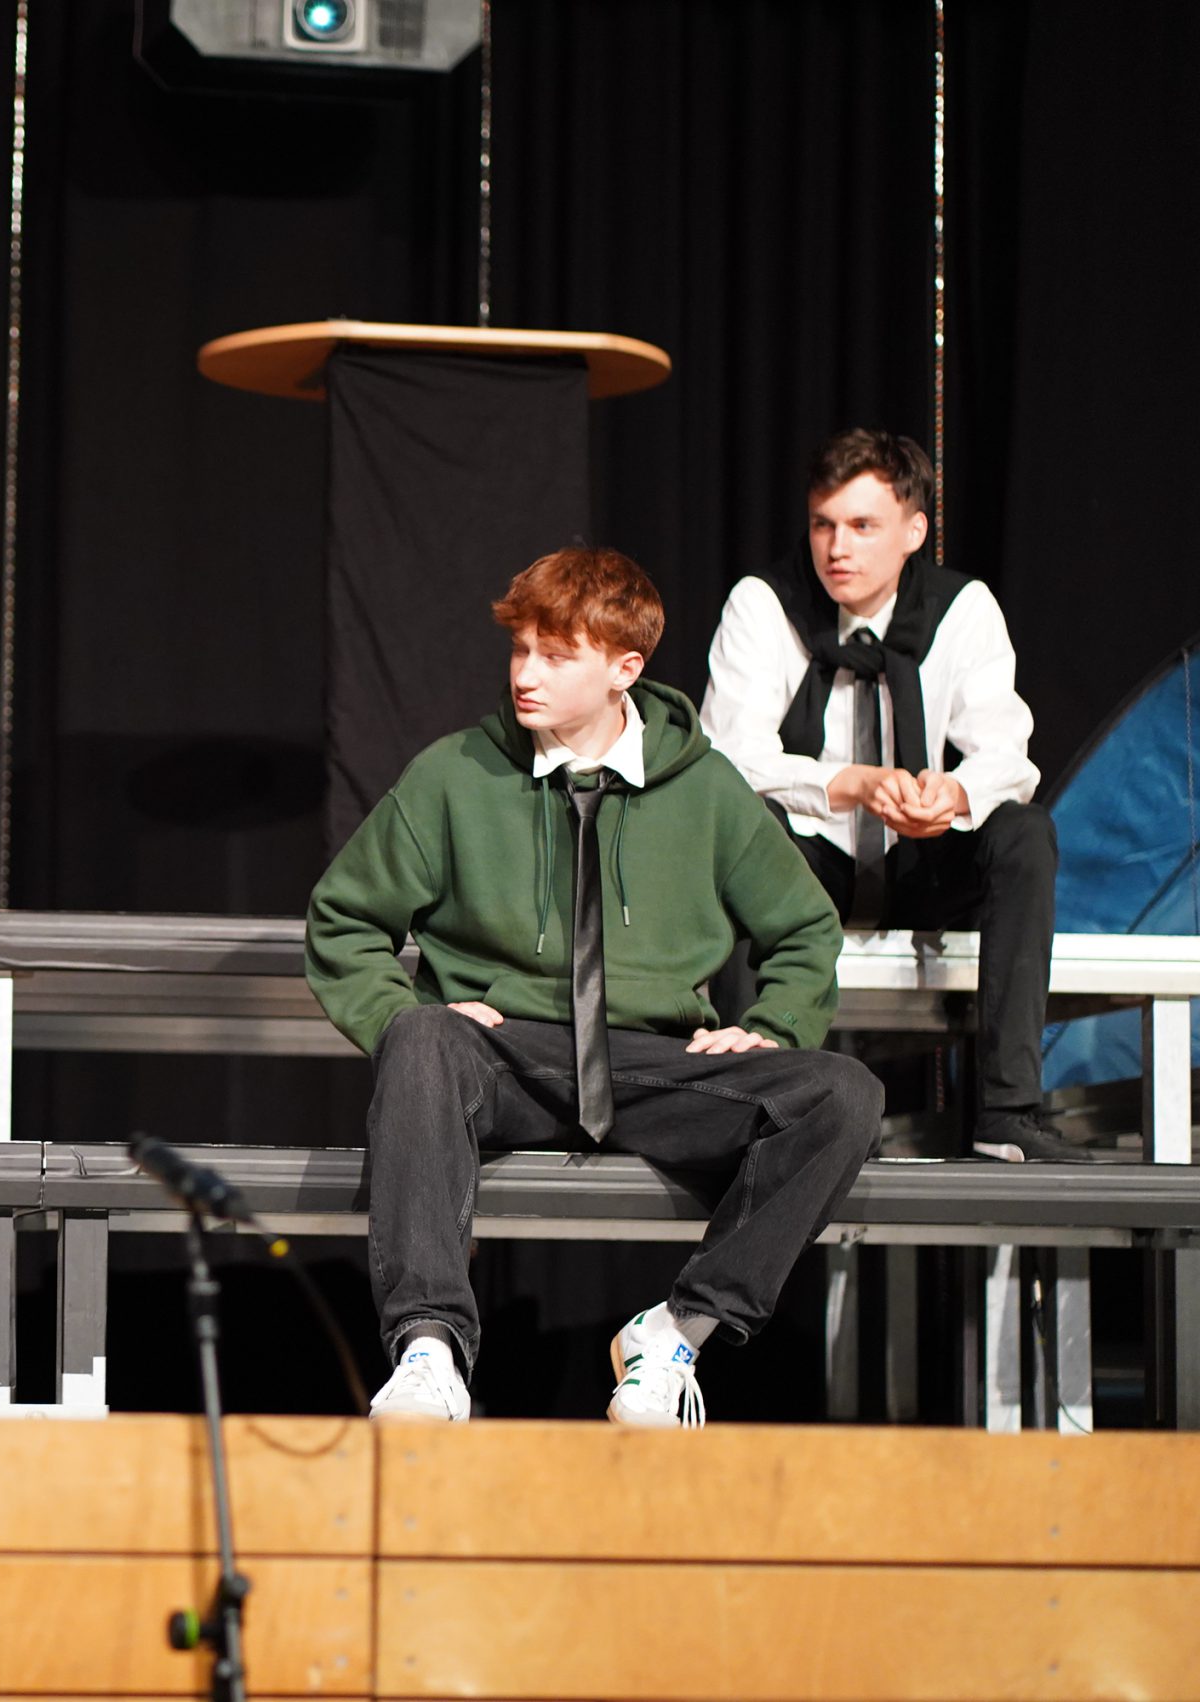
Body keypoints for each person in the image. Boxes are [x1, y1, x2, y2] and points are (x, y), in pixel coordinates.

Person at [305, 546, 880, 1427]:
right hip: (510, 1055)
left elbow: (804, 928)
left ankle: (676, 1334)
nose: (525, 675)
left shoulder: (707, 789)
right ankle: (429, 1350)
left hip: (656, 1065)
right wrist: (403, 1010)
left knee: (843, 1092)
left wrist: (772, 1023)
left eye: (555, 655)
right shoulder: (455, 773)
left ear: (625, 669)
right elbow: (344, 921)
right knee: (420, 1036)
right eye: (519, 650)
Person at [701, 430, 1071, 1162]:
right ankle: (759, 1106)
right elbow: (726, 760)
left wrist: (951, 795)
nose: (837, 548)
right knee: (745, 828)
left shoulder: (962, 608)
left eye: (863, 526)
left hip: (922, 864)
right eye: (823, 524)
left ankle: (1007, 1113)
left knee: (1024, 831)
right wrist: (847, 783)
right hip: (810, 866)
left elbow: (1006, 752)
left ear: (914, 530)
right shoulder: (766, 603)